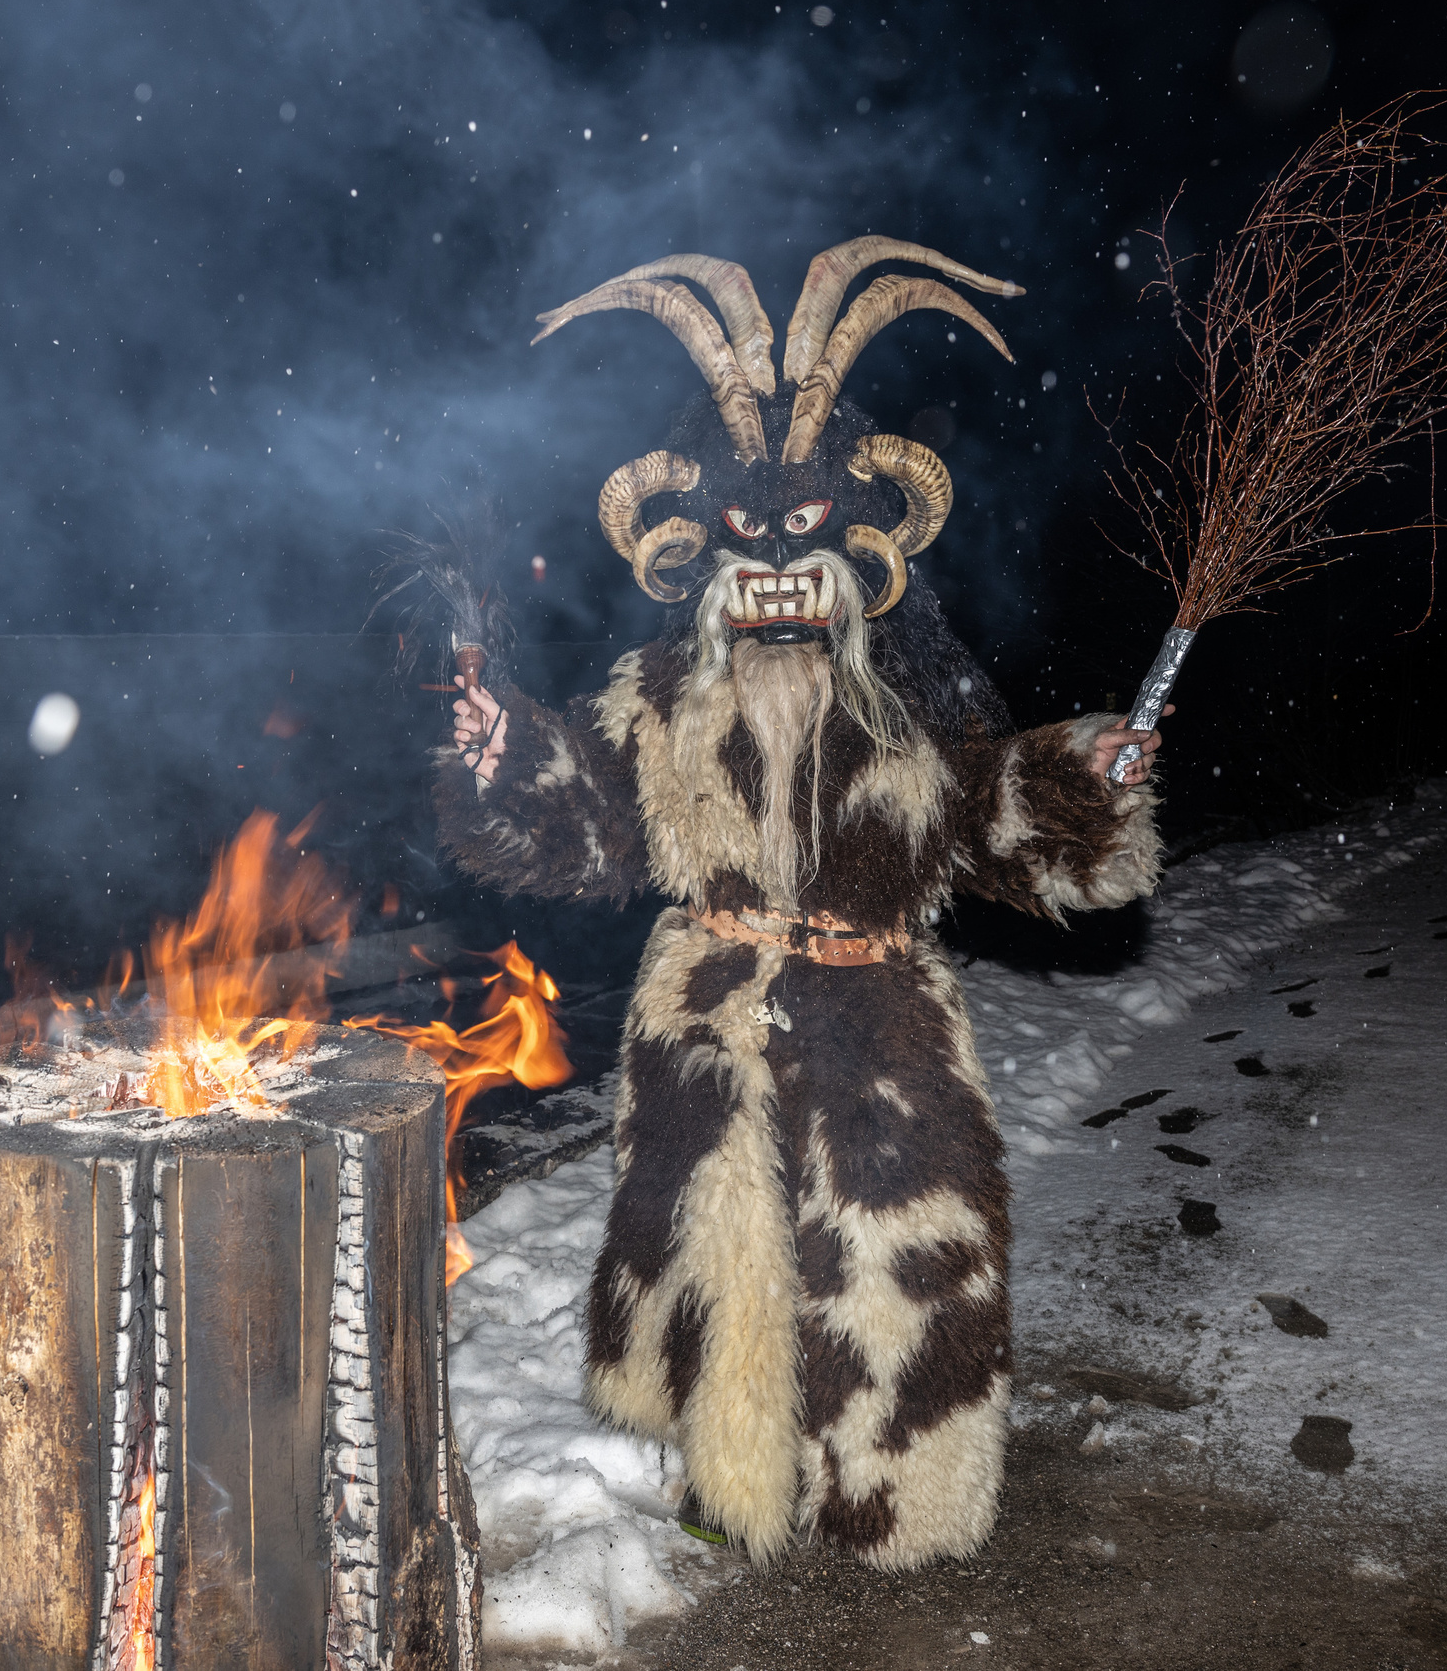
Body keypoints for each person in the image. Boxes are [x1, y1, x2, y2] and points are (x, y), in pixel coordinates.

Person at [428, 241, 1165, 1570]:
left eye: (806, 528)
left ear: (864, 538)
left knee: (886, 1273)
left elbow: (1003, 815)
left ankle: (888, 1505)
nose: (772, 560)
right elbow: (583, 820)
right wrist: (501, 755)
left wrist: (1088, 776)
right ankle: (733, 1481)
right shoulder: (659, 700)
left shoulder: (918, 709)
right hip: (708, 1012)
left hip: (881, 1026)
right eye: (742, 533)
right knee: (725, 1267)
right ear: (694, 544)